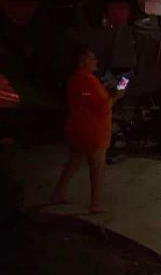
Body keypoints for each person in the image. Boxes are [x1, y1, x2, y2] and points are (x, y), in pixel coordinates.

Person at [53, 47, 125, 213]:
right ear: (82, 62)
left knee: (74, 161)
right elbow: (102, 106)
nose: (96, 62)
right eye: (92, 59)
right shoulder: (87, 80)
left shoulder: (76, 79)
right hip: (93, 130)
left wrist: (109, 92)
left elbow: (91, 100)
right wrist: (116, 96)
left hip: (77, 128)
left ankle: (59, 192)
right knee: (97, 167)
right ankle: (95, 203)